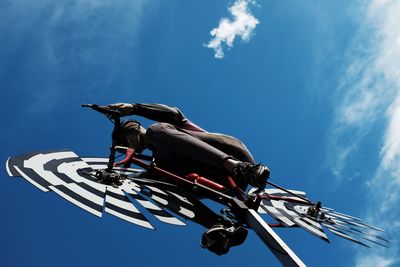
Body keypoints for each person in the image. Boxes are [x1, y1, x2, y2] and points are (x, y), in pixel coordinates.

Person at [108, 102, 270, 255]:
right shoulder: (161, 162)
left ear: (135, 127)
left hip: (231, 154)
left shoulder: (165, 130)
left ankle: (238, 167)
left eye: (127, 134)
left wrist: (135, 108)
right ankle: (221, 226)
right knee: (148, 182)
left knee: (155, 131)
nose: (128, 143)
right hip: (218, 182)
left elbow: (174, 113)